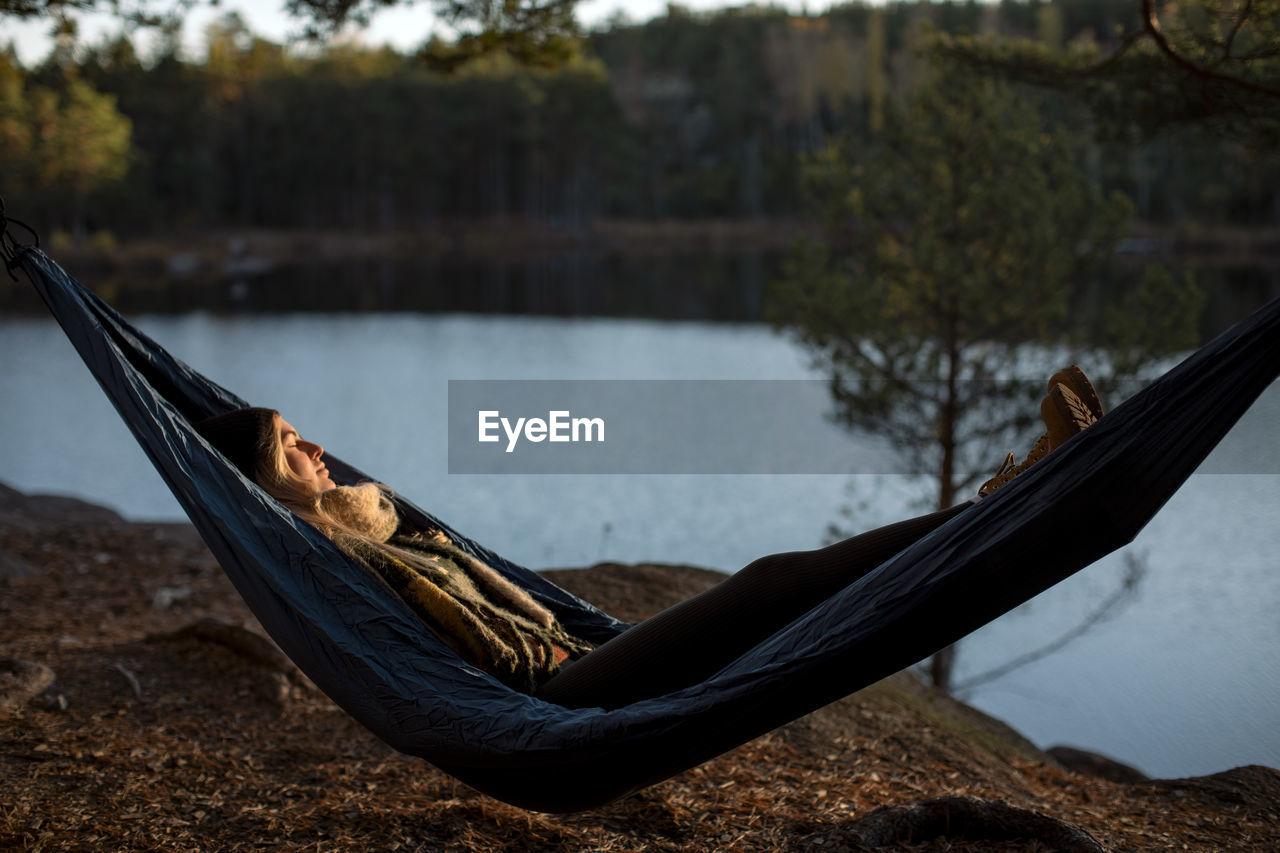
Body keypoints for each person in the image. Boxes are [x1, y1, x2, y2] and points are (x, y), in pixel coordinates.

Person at [196, 367, 1102, 710]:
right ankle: (1006, 503)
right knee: (774, 586)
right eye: (291, 445)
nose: (316, 448)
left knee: (779, 595)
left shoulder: (374, 524)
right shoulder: (315, 551)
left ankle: (1007, 503)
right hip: (550, 702)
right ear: (266, 483)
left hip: (577, 663)